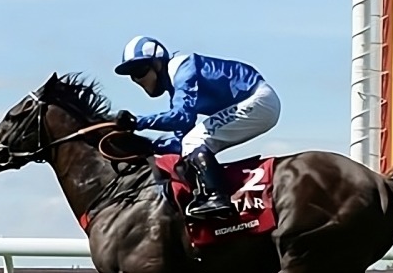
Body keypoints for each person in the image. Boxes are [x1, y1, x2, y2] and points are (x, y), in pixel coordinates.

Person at [112, 36, 281, 220]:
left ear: (158, 64)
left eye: (139, 70)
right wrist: (149, 147)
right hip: (257, 102)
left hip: (258, 100)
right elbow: (181, 141)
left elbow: (182, 118)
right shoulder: (176, 87)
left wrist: (138, 122)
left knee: (196, 140)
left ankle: (217, 197)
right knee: (191, 142)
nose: (137, 79)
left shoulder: (184, 70)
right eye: (132, 75)